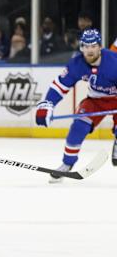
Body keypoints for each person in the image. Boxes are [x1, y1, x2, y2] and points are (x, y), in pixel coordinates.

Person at [35, 29, 117, 183]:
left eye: (93, 46)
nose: (89, 50)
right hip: (95, 101)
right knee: (78, 127)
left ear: (100, 47)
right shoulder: (77, 63)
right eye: (86, 46)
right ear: (81, 47)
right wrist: (47, 105)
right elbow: (60, 86)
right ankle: (67, 163)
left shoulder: (114, 62)